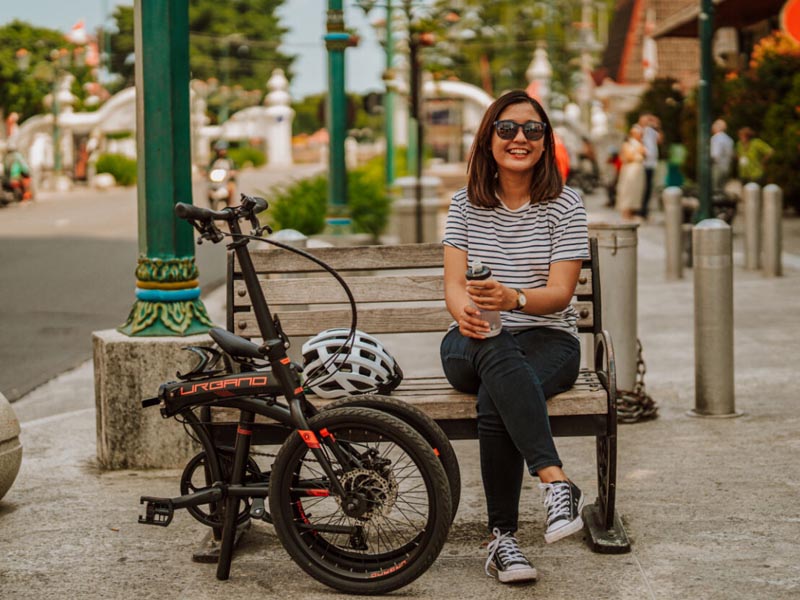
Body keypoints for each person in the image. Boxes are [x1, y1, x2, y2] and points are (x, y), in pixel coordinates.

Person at [440, 90, 589, 584]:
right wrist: (468, 314)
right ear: (488, 139)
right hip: (472, 339)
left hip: (549, 341)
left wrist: (515, 299)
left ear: (546, 143)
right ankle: (556, 480)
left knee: (496, 391)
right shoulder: (464, 204)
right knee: (492, 345)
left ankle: (502, 540)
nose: (519, 138)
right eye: (506, 128)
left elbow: (561, 295)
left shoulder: (565, 204)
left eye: (532, 129)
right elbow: (454, 285)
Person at [616, 124, 646, 221]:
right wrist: (638, 154)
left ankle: (632, 212)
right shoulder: (628, 144)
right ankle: (626, 212)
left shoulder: (639, 143)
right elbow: (628, 156)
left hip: (637, 170)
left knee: (636, 191)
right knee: (628, 190)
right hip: (630, 170)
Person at [638, 112, 662, 218]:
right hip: (643, 163)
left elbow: (660, 140)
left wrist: (658, 126)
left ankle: (645, 209)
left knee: (649, 187)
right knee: (643, 187)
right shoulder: (639, 130)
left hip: (652, 163)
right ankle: (641, 209)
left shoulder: (651, 131)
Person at [207, 140, 237, 205]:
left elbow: (235, 168)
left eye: (223, 150)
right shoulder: (213, 160)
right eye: (220, 150)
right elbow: (208, 168)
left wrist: (233, 172)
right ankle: (211, 205)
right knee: (208, 191)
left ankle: (230, 204)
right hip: (216, 180)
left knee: (231, 188)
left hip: (227, 180)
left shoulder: (230, 160)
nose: (221, 151)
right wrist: (206, 172)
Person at [710, 119, 734, 192]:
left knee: (715, 188)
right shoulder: (729, 139)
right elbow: (731, 154)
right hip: (726, 166)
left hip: (717, 166)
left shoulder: (716, 138)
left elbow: (715, 154)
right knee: (722, 188)